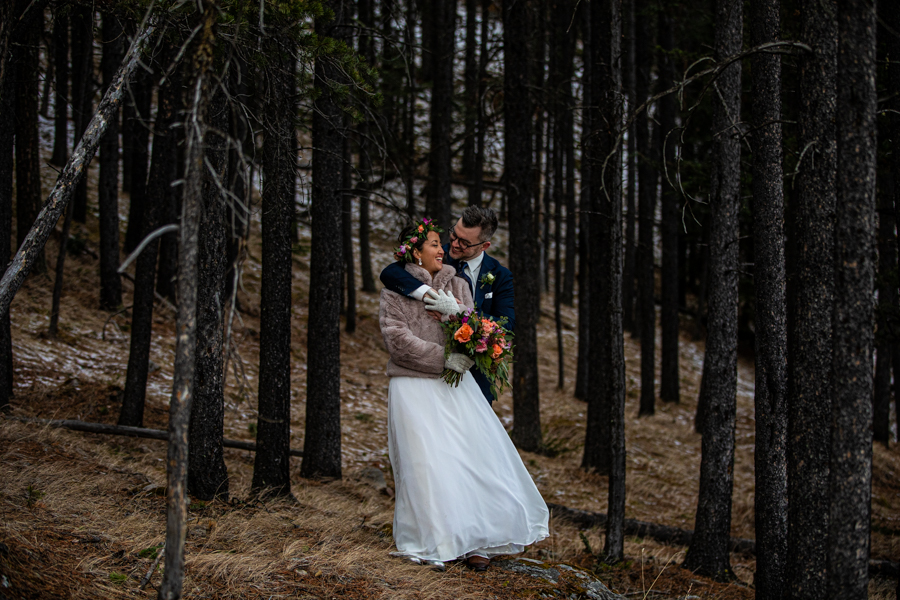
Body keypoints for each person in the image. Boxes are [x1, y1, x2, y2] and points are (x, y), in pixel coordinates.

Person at [379, 218, 549, 572]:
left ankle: (476, 538)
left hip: (459, 384)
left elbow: (487, 330)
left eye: (457, 242)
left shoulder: (464, 282)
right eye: (441, 241)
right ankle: (431, 541)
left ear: (482, 246)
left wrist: (462, 320)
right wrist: (443, 358)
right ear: (415, 250)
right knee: (423, 463)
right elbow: (396, 337)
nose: (448, 247)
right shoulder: (398, 282)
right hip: (414, 382)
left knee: (467, 459)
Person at [380, 206, 513, 403]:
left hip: (474, 380)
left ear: (484, 246)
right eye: (454, 234)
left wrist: (461, 313)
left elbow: (506, 326)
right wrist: (428, 294)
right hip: (428, 381)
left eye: (465, 242)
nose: (454, 244)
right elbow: (390, 273)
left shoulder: (500, 276)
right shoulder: (437, 256)